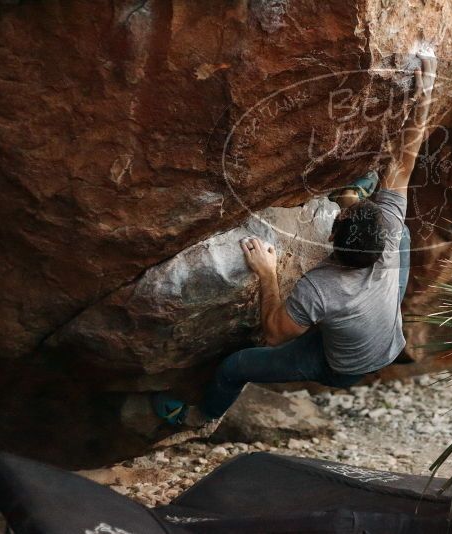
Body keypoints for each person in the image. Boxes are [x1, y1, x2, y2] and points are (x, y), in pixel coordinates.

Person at [153, 53, 437, 425]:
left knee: (234, 367)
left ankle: (199, 419)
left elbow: (274, 335)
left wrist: (267, 273)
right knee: (404, 232)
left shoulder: (320, 287)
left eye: (347, 213)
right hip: (386, 337)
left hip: (344, 365)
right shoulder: (387, 232)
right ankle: (356, 198)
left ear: (333, 235)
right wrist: (425, 95)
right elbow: (406, 156)